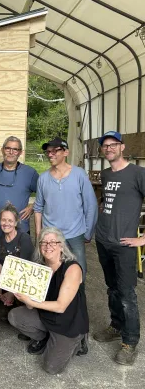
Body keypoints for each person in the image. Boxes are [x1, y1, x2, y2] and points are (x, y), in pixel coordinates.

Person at [93, 131, 145, 365]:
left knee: (127, 295)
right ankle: (116, 325)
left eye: (113, 145)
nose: (109, 148)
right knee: (111, 288)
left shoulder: (138, 173)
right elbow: (109, 201)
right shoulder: (105, 174)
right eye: (105, 146)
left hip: (124, 245)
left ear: (122, 147)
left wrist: (143, 239)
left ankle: (130, 340)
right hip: (104, 241)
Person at [9, 227, 89, 375]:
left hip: (68, 323)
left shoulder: (72, 268)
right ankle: (46, 338)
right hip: (46, 316)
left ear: (61, 246)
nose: (48, 246)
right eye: (43, 243)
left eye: (53, 242)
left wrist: (31, 302)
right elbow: (31, 306)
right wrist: (23, 295)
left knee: (51, 368)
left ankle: (79, 341)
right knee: (14, 316)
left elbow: (61, 307)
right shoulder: (39, 268)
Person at [33, 137, 98, 280]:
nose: (51, 154)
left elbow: (91, 205)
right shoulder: (43, 178)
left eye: (55, 151)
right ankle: (54, 301)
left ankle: (76, 301)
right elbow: (38, 208)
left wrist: (87, 232)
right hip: (51, 236)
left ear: (66, 152)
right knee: (50, 275)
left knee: (78, 274)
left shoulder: (79, 174)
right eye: (48, 152)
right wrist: (39, 234)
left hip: (75, 234)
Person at [0, 136, 38, 250]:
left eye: (15, 149)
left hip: (21, 229)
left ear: (20, 152)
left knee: (21, 265)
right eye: (8, 148)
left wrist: (32, 207)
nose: (11, 152)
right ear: (2, 150)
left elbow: (45, 194)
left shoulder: (30, 173)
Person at [0, 202, 34, 320]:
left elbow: (26, 269)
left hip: (24, 284)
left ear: (16, 222)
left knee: (23, 308)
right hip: (6, 283)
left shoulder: (24, 239)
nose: (6, 223)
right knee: (1, 314)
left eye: (10, 220)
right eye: (3, 220)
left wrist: (12, 293)